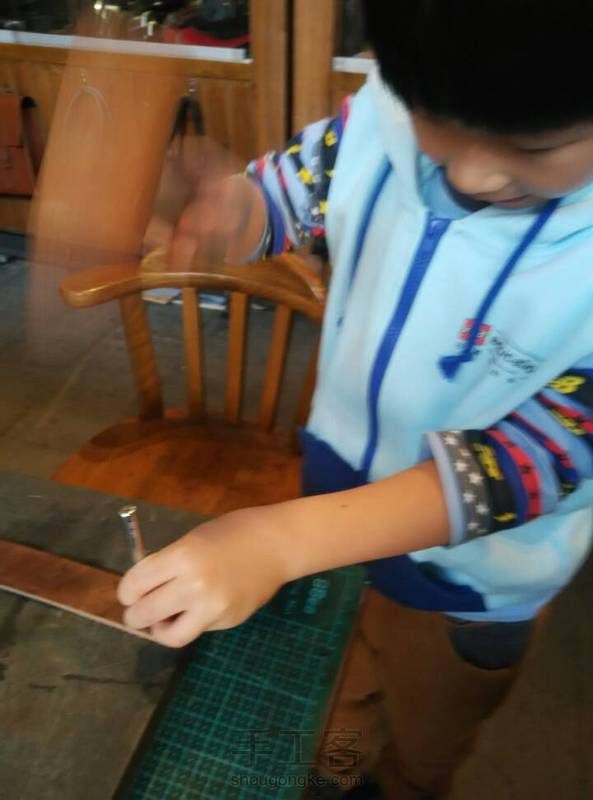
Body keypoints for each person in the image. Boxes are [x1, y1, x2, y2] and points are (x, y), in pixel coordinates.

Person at [118, 1, 593, 796]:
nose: (471, 175)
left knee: (429, 727)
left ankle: (406, 779)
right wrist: (228, 210)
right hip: (332, 502)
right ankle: (345, 731)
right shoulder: (381, 112)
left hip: (468, 585)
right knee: (343, 662)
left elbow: (520, 466)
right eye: (435, 121)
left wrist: (279, 543)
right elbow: (287, 195)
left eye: (533, 147)